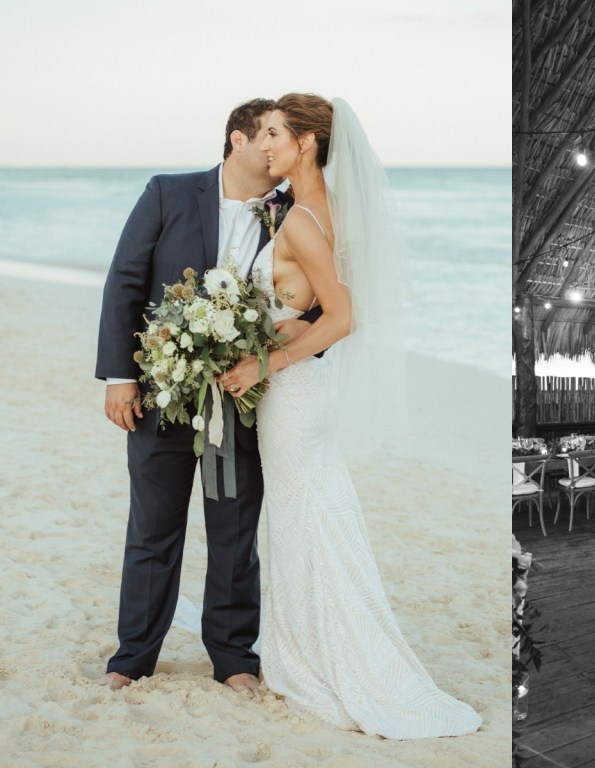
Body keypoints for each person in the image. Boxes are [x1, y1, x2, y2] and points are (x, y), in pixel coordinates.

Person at [218, 94, 481, 739]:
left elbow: (343, 315)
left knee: (304, 512)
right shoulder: (318, 211)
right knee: (309, 512)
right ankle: (303, 649)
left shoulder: (303, 221)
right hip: (306, 382)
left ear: (306, 142)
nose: (268, 144)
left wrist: (261, 365)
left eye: (277, 134)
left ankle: (320, 660)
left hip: (295, 387)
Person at [95, 99, 318, 696]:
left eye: (284, 137)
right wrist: (120, 375)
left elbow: (316, 305)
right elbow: (125, 280)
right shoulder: (169, 193)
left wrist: (271, 355)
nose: (274, 148)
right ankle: (132, 657)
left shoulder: (292, 213)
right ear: (236, 139)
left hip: (241, 402)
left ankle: (233, 657)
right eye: (266, 136)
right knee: (152, 528)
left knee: (234, 533)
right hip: (162, 395)